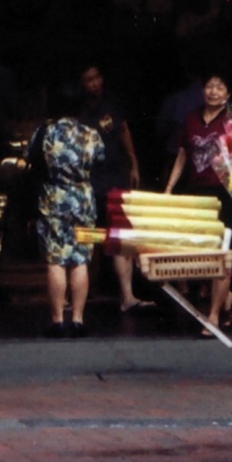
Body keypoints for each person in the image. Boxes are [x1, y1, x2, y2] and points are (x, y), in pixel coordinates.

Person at [164, 74, 232, 331]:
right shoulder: (191, 119)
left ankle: (213, 315)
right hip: (198, 194)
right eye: (209, 86)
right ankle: (223, 301)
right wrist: (170, 186)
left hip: (226, 195)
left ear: (228, 94)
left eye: (219, 87)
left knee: (223, 253)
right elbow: (183, 154)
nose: (213, 91)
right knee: (202, 253)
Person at [29, 111, 105, 338]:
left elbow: (31, 157)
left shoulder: (44, 131)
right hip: (83, 199)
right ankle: (78, 319)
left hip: (53, 198)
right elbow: (99, 160)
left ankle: (57, 320)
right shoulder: (91, 133)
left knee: (56, 259)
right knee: (81, 259)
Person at [77, 64, 144, 312]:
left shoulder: (112, 103)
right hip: (88, 179)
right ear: (82, 84)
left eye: (96, 77)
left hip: (115, 176)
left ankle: (127, 295)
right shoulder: (79, 110)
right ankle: (83, 294)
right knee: (87, 234)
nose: (93, 83)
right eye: (88, 80)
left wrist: (134, 164)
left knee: (120, 234)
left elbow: (124, 131)